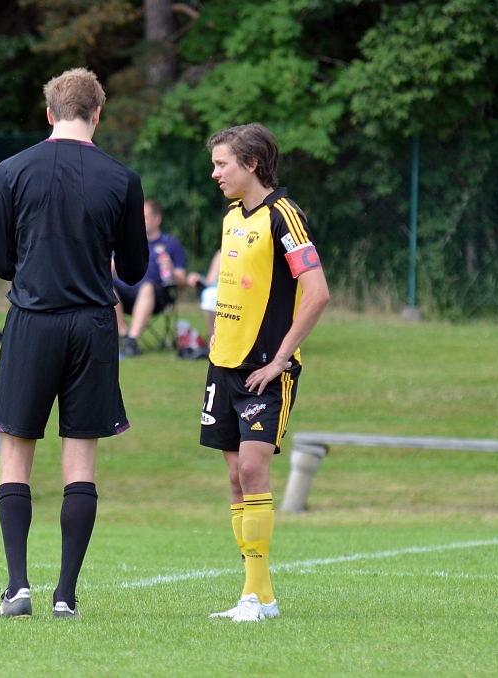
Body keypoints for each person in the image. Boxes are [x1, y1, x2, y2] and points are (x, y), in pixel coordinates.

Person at [0, 68, 148, 619]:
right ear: (97, 114)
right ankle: (66, 596)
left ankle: (17, 588)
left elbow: (1, 262)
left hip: (32, 321)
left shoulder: (10, 170)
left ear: (49, 113)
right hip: (93, 326)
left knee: (17, 451)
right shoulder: (122, 179)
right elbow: (134, 269)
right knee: (79, 459)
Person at [200, 123, 330, 622]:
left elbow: (317, 293)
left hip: (265, 373)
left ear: (251, 164)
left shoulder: (285, 216)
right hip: (224, 368)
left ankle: (256, 597)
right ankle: (259, 597)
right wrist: (216, 337)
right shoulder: (233, 216)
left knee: (253, 470)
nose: (215, 173)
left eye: (222, 164)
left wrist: (280, 359)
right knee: (236, 477)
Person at [113, 199, 187, 357]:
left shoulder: (171, 244)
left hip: (156, 296)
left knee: (147, 286)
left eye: (144, 217)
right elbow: (109, 270)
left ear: (157, 219)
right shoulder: (127, 241)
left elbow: (181, 282)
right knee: (106, 285)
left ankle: (132, 341)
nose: (139, 221)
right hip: (124, 294)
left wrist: (171, 270)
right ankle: (125, 336)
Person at [187, 249, 221, 341]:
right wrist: (199, 279)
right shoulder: (222, 252)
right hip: (220, 290)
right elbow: (210, 281)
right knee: (209, 295)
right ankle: (214, 341)